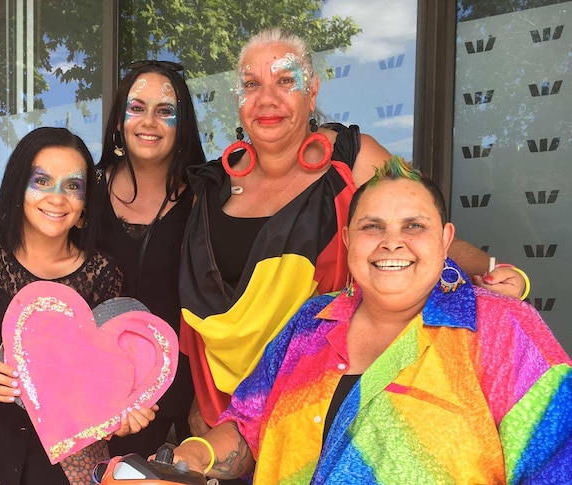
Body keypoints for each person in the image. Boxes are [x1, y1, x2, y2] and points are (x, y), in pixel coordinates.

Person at [178, 28, 528, 443]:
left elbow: (419, 229)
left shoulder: (354, 157)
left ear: (312, 90)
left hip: (327, 394)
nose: (266, 98)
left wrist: (491, 270)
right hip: (222, 405)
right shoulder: (211, 184)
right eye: (252, 84)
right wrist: (199, 398)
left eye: (285, 81)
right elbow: (205, 300)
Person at [171, 156, 571, 483]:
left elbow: (557, 464)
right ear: (347, 240)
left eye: (414, 226)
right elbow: (248, 425)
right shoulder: (312, 322)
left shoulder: (501, 327)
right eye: (371, 227)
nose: (391, 241)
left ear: (446, 239)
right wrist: (195, 453)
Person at [0, 127, 156, 485]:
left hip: (67, 460)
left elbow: (110, 378)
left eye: (73, 186)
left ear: (84, 206)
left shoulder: (105, 274)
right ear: (19, 188)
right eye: (42, 180)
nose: (58, 197)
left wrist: (123, 413)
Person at [96, 60, 205, 458]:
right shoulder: (85, 193)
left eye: (165, 111)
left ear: (182, 125)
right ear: (120, 118)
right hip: (103, 386)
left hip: (187, 392)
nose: (149, 122)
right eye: (137, 107)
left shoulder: (205, 198)